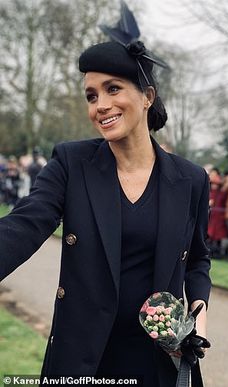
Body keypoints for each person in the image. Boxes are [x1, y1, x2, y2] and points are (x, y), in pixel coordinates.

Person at [0, 2, 211, 386]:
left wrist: (199, 304)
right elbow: (25, 224)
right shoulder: (71, 162)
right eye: (91, 95)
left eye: (113, 89)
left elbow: (198, 258)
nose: (101, 105)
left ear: (147, 96)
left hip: (160, 360)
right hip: (84, 359)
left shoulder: (192, 179)